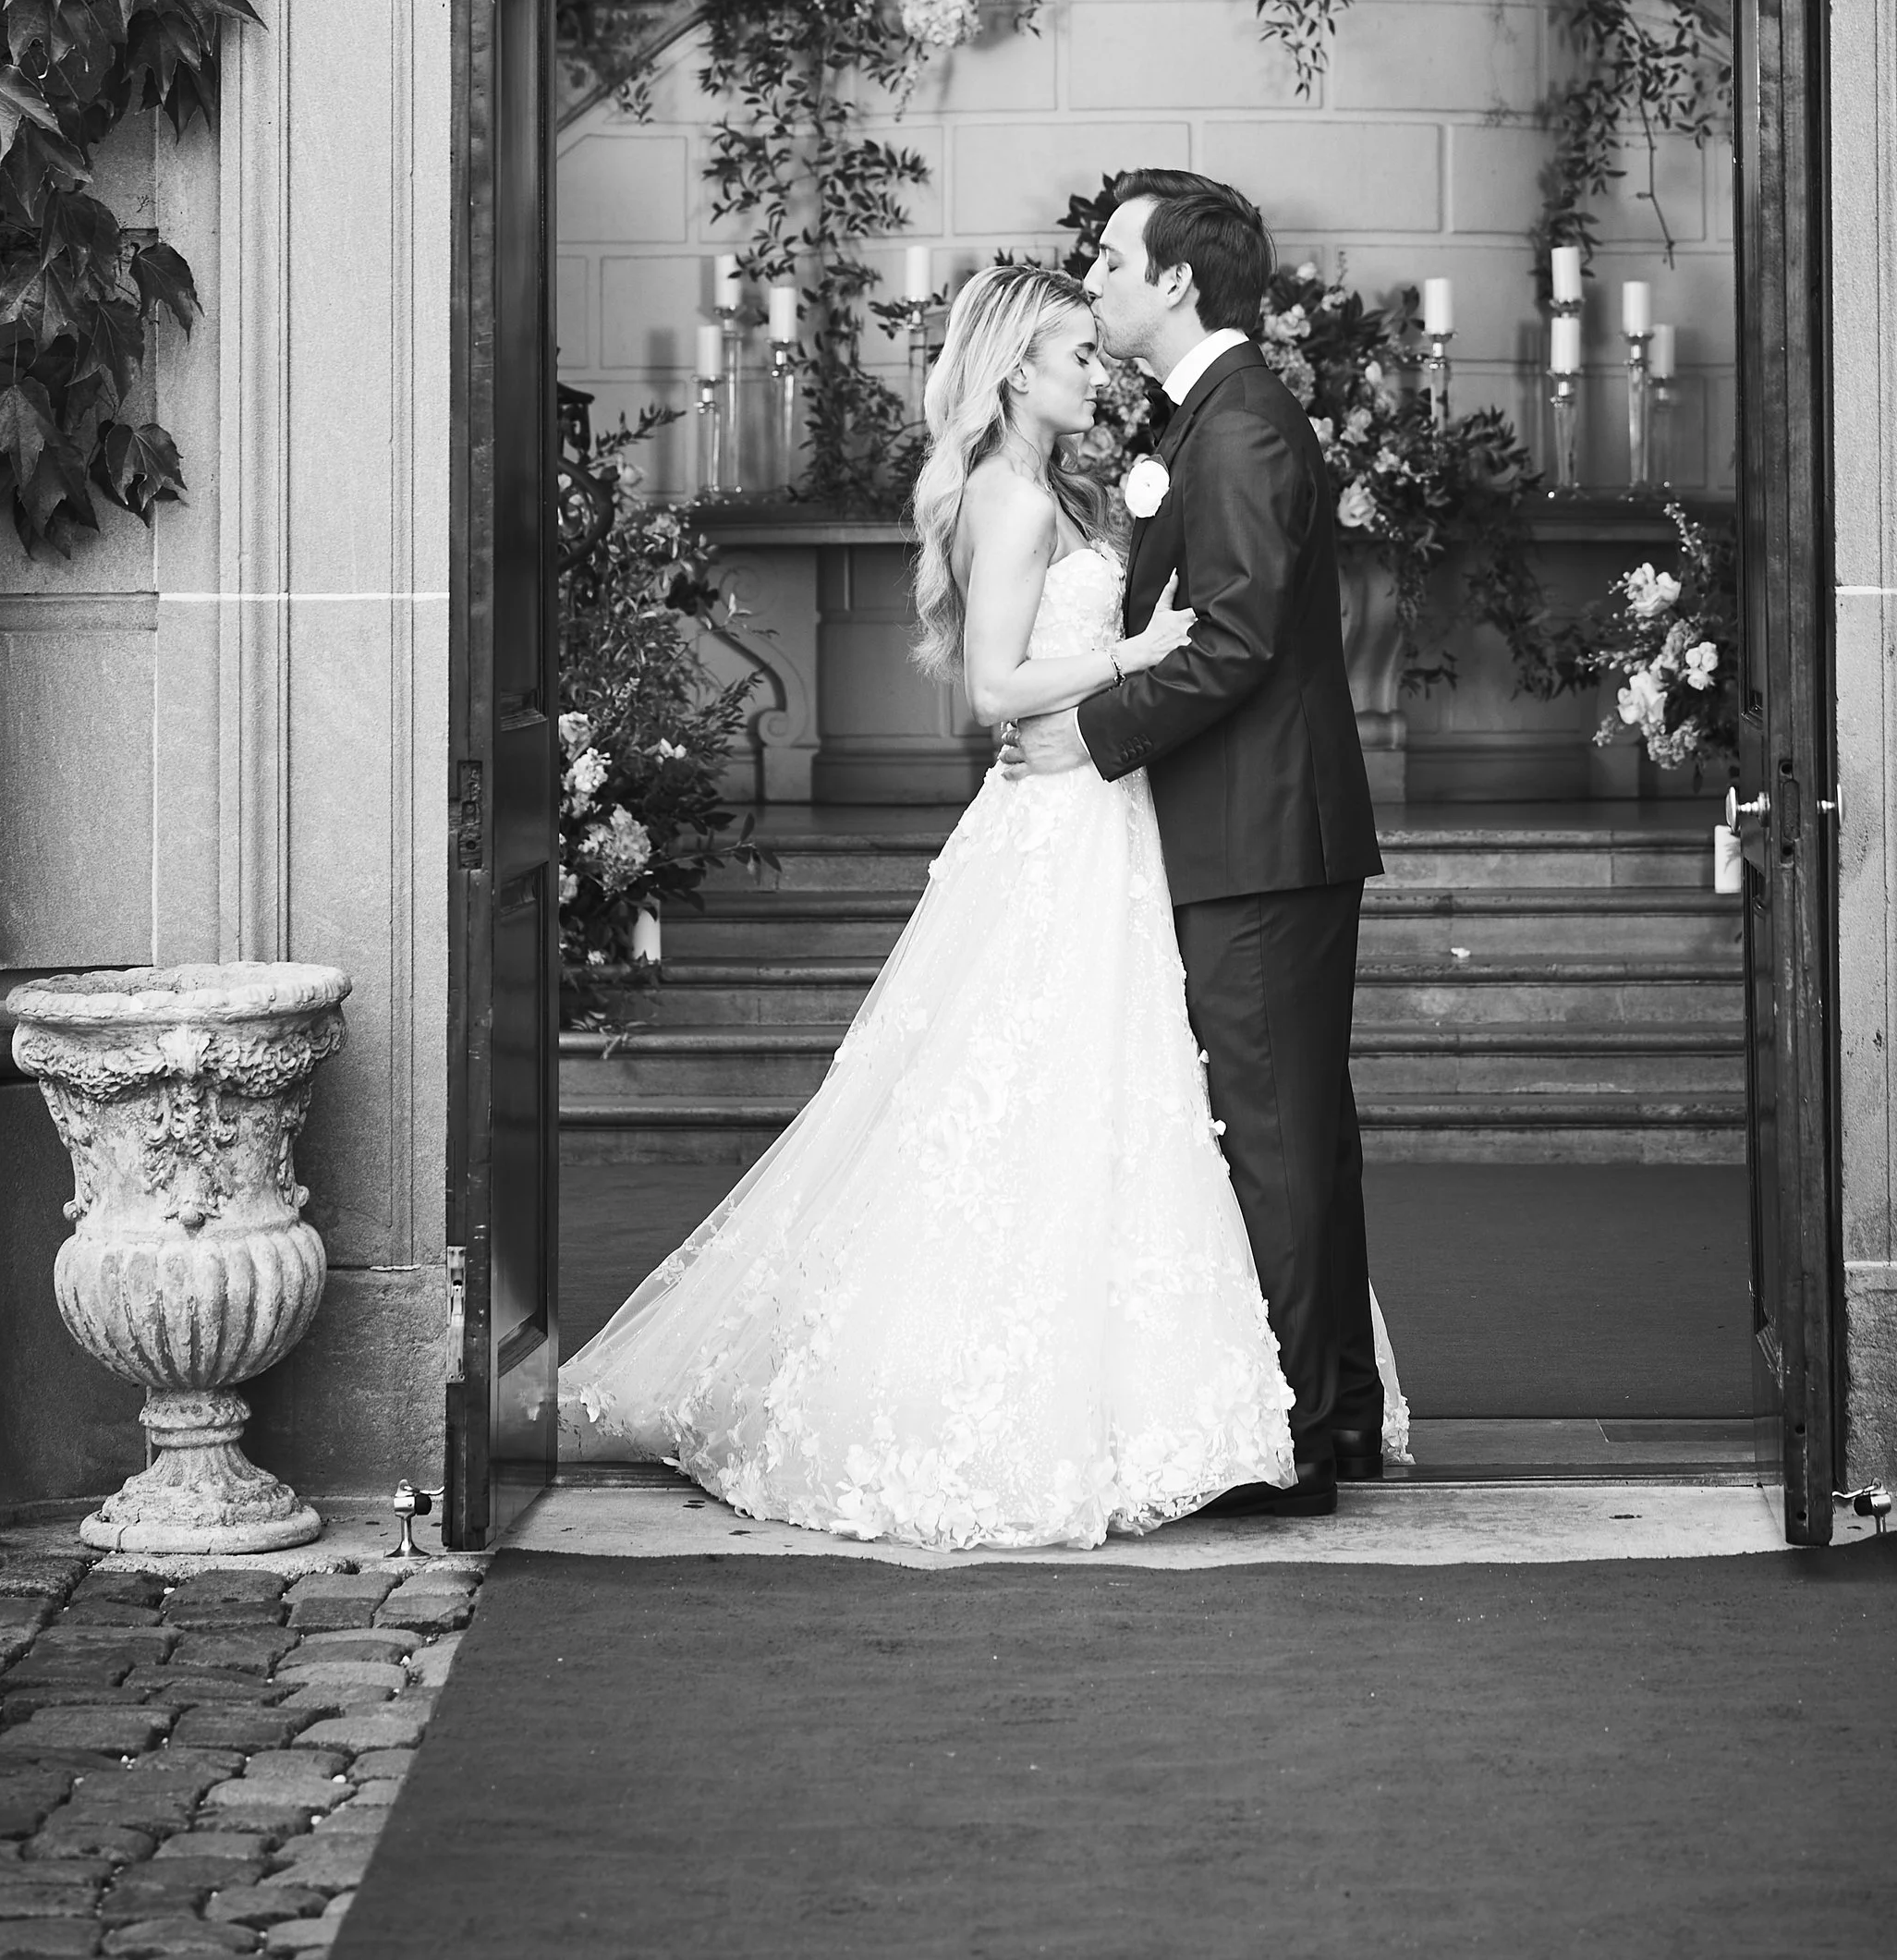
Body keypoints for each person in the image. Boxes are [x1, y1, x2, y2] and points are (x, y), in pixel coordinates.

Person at [556, 262, 1314, 1550]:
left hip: (1099, 807)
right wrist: (1139, 652)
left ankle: (1134, 1393)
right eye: (1078, 352)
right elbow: (992, 687)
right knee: (1022, 1086)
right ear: (1019, 368)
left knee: (1094, 1090)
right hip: (1058, 816)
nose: (1098, 371)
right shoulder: (1008, 498)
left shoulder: (1059, 484)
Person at [1016, 170, 1390, 1517]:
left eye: (1112, 257)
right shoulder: (1211, 418)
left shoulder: (1243, 431)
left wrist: (1091, 730)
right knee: (1298, 1135)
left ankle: (1290, 1443)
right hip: (1248, 832)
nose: (1094, 275)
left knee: (1275, 1140)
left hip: (1261, 840)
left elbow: (1233, 641)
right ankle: (1332, 1413)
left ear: (1178, 278)